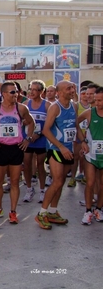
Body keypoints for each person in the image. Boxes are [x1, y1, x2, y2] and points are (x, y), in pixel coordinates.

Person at [0, 81, 35, 224]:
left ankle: (13, 211)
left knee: (14, 181)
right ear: (4, 94)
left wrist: (28, 139)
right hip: (1, 147)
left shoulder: (22, 108)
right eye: (12, 92)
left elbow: (31, 122)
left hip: (16, 148)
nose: (16, 94)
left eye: (17, 91)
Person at [35, 81, 77, 230]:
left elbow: (75, 125)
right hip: (56, 149)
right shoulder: (55, 108)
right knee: (57, 182)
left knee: (61, 182)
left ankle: (53, 211)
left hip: (69, 149)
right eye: (68, 88)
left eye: (72, 87)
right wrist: (61, 147)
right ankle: (42, 213)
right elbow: (46, 130)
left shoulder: (74, 105)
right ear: (59, 92)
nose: (72, 90)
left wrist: (82, 141)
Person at [22, 80, 51, 203]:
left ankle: (42, 189)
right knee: (27, 164)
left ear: (41, 91)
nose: (32, 92)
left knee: (40, 164)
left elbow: (50, 124)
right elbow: (21, 120)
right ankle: (29, 189)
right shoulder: (26, 103)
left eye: (35, 89)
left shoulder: (47, 105)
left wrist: (38, 133)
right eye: (31, 89)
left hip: (41, 138)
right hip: (28, 138)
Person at [78, 86, 103, 225]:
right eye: (96, 100)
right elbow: (76, 123)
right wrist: (83, 141)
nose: (97, 103)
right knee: (90, 182)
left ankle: (98, 209)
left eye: (100, 100)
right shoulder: (89, 113)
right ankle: (88, 211)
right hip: (91, 155)